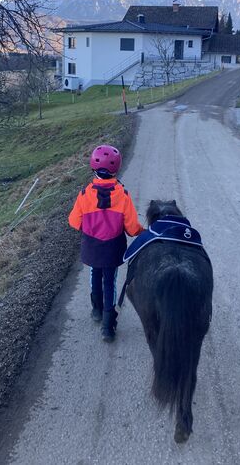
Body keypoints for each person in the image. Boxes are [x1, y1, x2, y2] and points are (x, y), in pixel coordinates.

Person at [68, 144, 144, 342]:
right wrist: (144, 232)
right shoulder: (123, 196)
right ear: (116, 169)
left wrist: (91, 224)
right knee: (110, 281)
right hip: (113, 248)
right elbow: (133, 228)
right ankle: (108, 327)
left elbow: (74, 222)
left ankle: (96, 309)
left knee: (95, 274)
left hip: (93, 247)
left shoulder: (84, 194)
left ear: (93, 168)